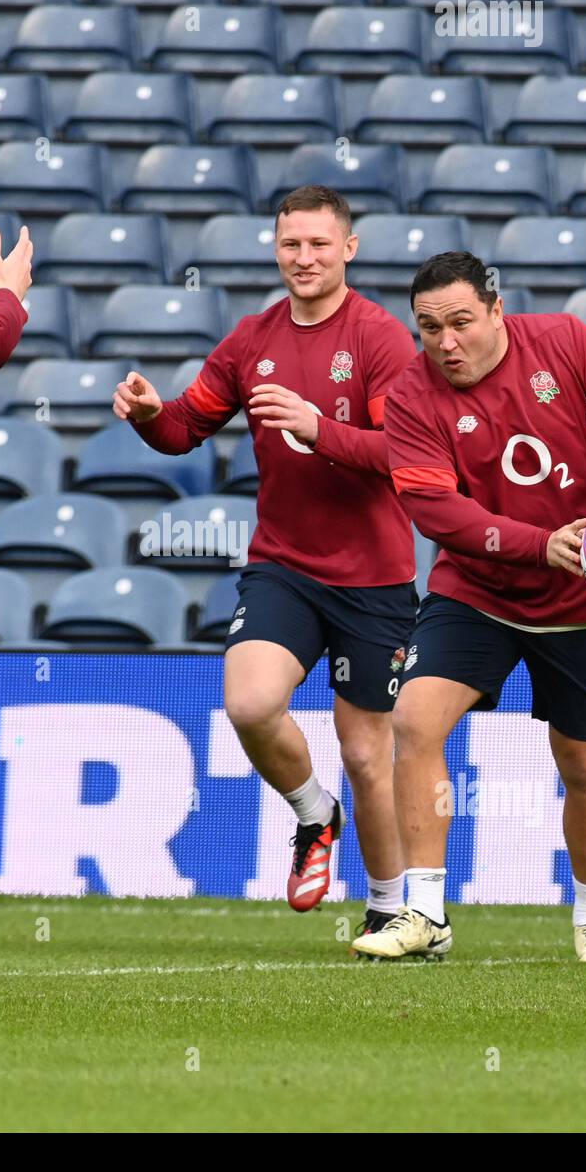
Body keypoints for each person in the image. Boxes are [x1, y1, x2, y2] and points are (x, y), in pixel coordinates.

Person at [351, 251, 586, 964]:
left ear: (497, 311)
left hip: (584, 601)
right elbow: (437, 512)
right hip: (478, 590)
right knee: (413, 717)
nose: (446, 342)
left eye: (461, 322)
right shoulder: (412, 395)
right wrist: (539, 544)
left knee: (584, 764)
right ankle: (425, 911)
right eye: (429, 328)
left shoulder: (562, 343)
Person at [113, 185, 418, 932]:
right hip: (284, 563)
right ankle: (315, 815)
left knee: (367, 753)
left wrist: (320, 430)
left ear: (349, 248)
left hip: (375, 576)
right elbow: (189, 425)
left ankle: (389, 912)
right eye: (291, 244)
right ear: (274, 248)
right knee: (249, 701)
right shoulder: (253, 340)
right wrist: (154, 417)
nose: (303, 258)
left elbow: (406, 454)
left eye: (319, 244)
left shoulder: (381, 339)